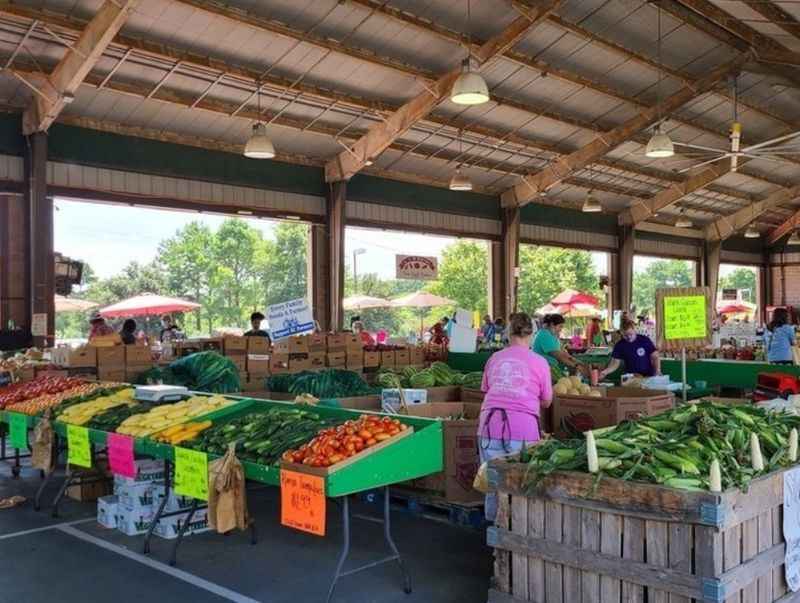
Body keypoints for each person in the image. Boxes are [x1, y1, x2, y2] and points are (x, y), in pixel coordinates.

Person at [479, 312, 552, 521]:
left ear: (508, 333)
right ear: (532, 334)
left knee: (493, 484)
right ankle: (518, 533)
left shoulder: (494, 358)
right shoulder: (539, 362)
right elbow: (546, 400)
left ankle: (495, 538)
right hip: (522, 431)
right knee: (521, 485)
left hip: (489, 427)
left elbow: (487, 390)